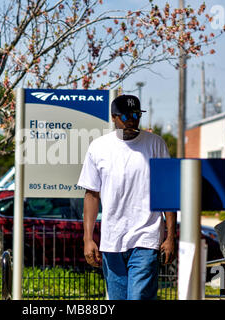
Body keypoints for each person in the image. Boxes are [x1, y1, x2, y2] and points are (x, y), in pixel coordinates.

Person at [77, 94, 177, 300]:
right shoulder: (98, 147)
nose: (131, 120)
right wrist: (88, 239)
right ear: (114, 117)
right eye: (126, 116)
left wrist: (170, 237)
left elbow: (167, 191)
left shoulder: (155, 144)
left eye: (136, 115)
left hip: (146, 237)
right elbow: (91, 195)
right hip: (111, 240)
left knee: (138, 296)